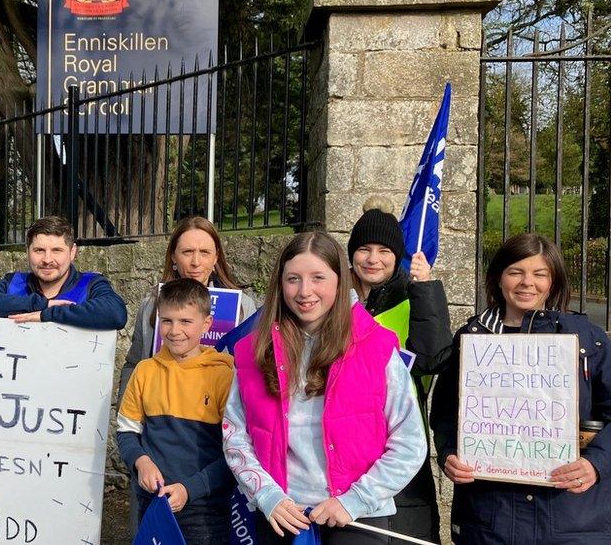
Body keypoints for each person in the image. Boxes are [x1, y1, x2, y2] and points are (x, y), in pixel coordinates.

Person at [222, 231, 426, 544]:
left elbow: (411, 442)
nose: (305, 291)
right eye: (293, 279)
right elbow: (235, 435)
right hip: (282, 515)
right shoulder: (252, 351)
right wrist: (267, 495)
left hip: (358, 516)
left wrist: (354, 500)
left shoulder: (378, 347)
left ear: (339, 280)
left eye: (318, 277)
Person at [430, 232, 611, 544]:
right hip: (488, 520)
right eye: (516, 272)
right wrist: (448, 455)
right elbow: (445, 415)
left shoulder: (588, 338)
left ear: (553, 282)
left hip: (571, 520)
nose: (528, 282)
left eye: (540, 274)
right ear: (499, 279)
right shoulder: (470, 341)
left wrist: (596, 463)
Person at [347, 198, 452, 542]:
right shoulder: (334, 301)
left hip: (403, 438)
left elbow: (433, 357)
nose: (373, 259)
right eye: (364, 249)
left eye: (384, 250)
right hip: (350, 442)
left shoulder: (414, 298)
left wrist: (425, 290)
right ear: (351, 255)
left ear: (397, 256)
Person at [117, 278, 235, 544]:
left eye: (185, 321)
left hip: (205, 510)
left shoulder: (224, 376)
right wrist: (141, 461)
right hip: (153, 503)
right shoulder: (144, 371)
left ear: (206, 324)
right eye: (167, 320)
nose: (174, 330)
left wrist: (190, 489)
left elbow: (235, 454)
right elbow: (126, 430)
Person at [119, 216, 257, 398]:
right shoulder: (152, 304)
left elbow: (253, 371)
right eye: (187, 252)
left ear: (216, 257)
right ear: (173, 257)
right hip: (160, 413)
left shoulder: (242, 307)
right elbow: (134, 363)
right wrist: (127, 418)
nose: (196, 262)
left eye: (205, 252)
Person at [0, 215, 126, 330]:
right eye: (39, 250)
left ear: (72, 252)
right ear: (27, 251)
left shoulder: (91, 284)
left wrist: (46, 315)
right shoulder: (13, 283)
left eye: (57, 250)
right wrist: (41, 305)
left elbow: (116, 313)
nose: (47, 259)